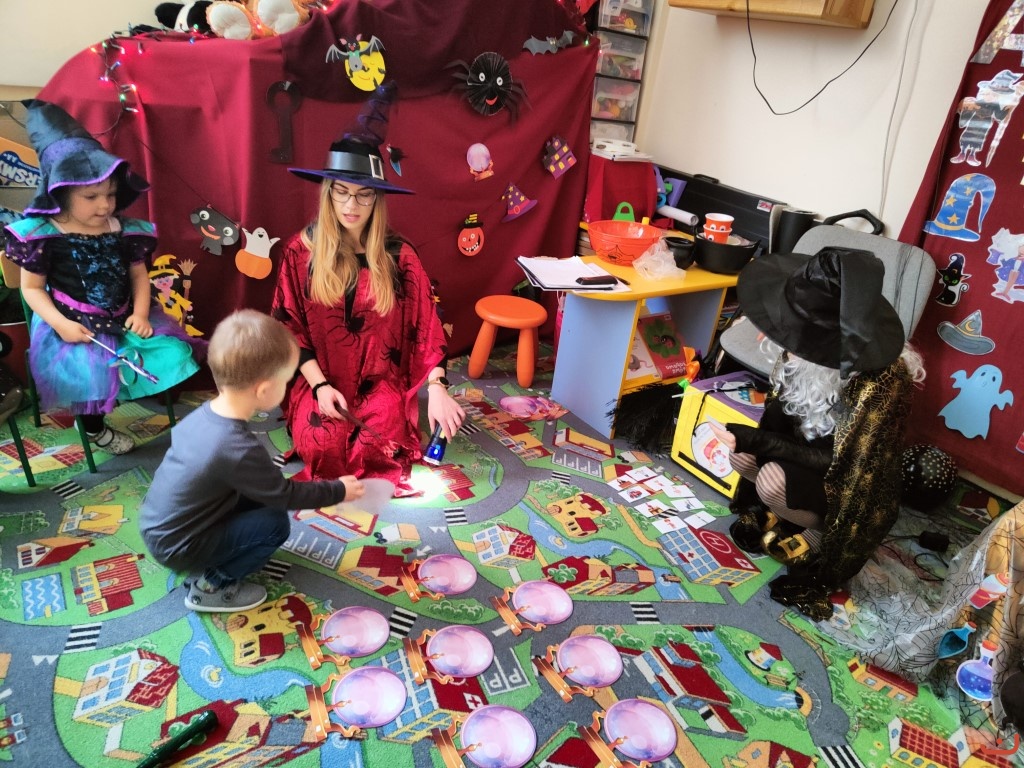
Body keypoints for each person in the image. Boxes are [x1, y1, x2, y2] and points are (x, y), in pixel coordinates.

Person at [707, 246, 926, 621]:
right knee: (741, 456)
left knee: (772, 482)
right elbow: (779, 418)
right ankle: (779, 515)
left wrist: (759, 442)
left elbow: (844, 466)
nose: (786, 342)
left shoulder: (882, 382)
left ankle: (822, 536)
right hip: (800, 452)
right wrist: (750, 441)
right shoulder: (802, 346)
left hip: (843, 484)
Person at [2, 100, 200, 454]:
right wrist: (61, 324)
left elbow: (139, 276)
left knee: (172, 353)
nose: (105, 205)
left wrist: (141, 313)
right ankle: (93, 428)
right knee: (87, 377)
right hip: (72, 323)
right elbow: (32, 289)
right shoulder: (45, 235)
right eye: (91, 196)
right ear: (59, 192)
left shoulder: (122, 229)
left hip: (124, 315)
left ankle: (124, 393)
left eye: (110, 194)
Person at [272, 133, 464, 496]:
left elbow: (426, 326)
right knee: (322, 446)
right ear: (328, 192)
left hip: (380, 381)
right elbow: (288, 328)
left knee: (379, 447)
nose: (352, 204)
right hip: (320, 379)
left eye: (364, 194)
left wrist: (438, 388)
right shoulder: (301, 251)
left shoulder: (399, 255)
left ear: (377, 197)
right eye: (341, 192)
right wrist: (319, 386)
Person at [140, 310, 365, 612]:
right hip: (181, 546)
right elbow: (286, 496)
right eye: (286, 381)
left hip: (162, 529)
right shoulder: (237, 447)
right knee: (274, 524)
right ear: (264, 390)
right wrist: (338, 490)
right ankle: (213, 585)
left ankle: (213, 554)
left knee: (259, 496)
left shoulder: (203, 416)